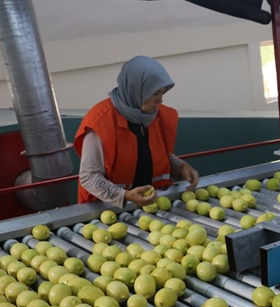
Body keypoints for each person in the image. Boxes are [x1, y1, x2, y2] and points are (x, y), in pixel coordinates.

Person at [74, 55, 199, 208]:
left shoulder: (158, 116)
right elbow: (89, 177)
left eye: (162, 93)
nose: (160, 100)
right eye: (155, 93)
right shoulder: (100, 122)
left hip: (152, 206)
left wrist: (179, 166)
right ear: (136, 90)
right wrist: (125, 195)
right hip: (107, 211)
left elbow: (153, 155)